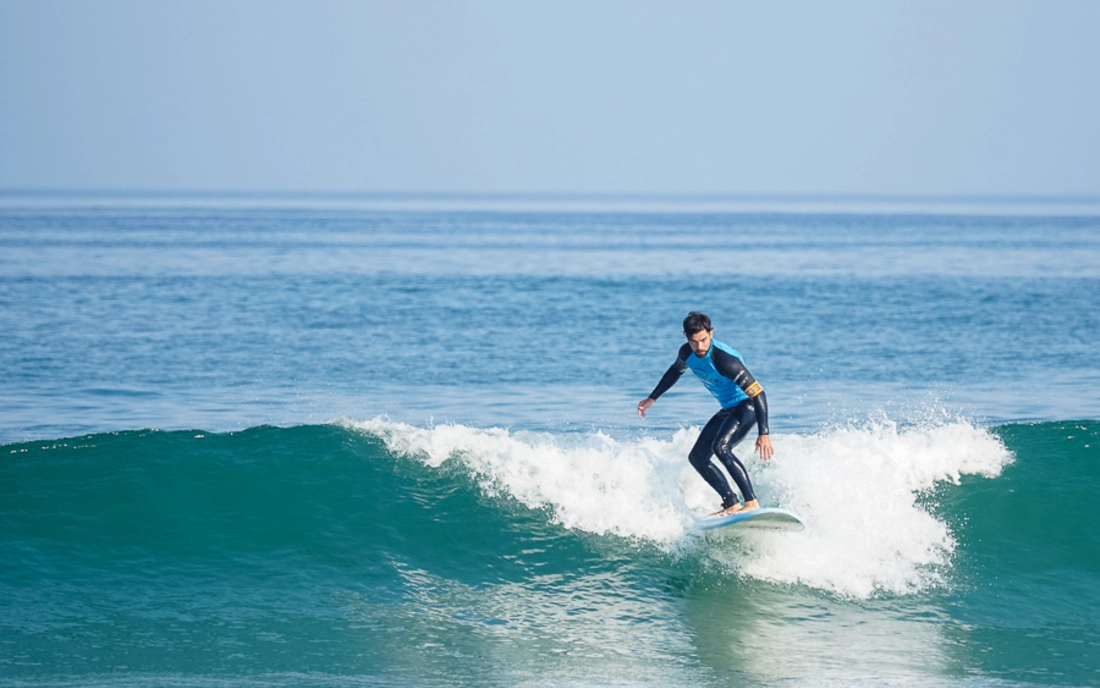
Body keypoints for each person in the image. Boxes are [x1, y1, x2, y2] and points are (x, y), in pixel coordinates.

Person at [637, 312, 773, 517]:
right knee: (698, 457)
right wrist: (652, 398)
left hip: (748, 406)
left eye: (703, 340)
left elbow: (759, 393)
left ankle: (751, 502)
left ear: (711, 333)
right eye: (693, 342)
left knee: (721, 448)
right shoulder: (686, 353)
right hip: (728, 408)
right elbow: (675, 371)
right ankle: (732, 503)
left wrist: (764, 432)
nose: (699, 347)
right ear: (687, 338)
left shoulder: (725, 360)